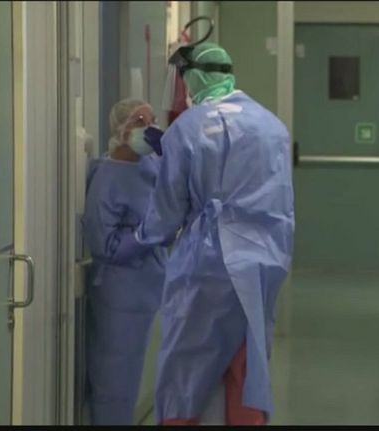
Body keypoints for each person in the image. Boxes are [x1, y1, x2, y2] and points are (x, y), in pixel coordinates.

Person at [110, 41, 295, 426]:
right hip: (264, 260)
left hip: (209, 263)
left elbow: (166, 213)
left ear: (191, 78)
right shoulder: (271, 126)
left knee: (187, 362)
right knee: (247, 358)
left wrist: (137, 240)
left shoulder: (188, 129)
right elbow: (279, 202)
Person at [82, 99, 167, 425]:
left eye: (152, 120)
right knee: (114, 381)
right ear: (121, 130)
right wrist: (147, 234)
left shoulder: (150, 167)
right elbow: (104, 244)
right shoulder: (107, 177)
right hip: (118, 294)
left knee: (135, 378)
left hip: (147, 286)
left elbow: (168, 206)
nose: (150, 127)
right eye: (140, 121)